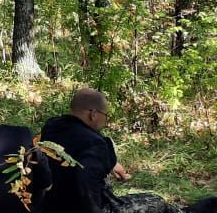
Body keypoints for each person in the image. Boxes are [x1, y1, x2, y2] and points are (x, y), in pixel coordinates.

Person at [40, 88, 181, 213]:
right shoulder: (96, 144)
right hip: (80, 207)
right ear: (93, 114)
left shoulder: (51, 126)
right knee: (156, 201)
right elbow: (85, 183)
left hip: (48, 204)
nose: (106, 121)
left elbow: (75, 145)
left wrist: (110, 163)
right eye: (105, 115)